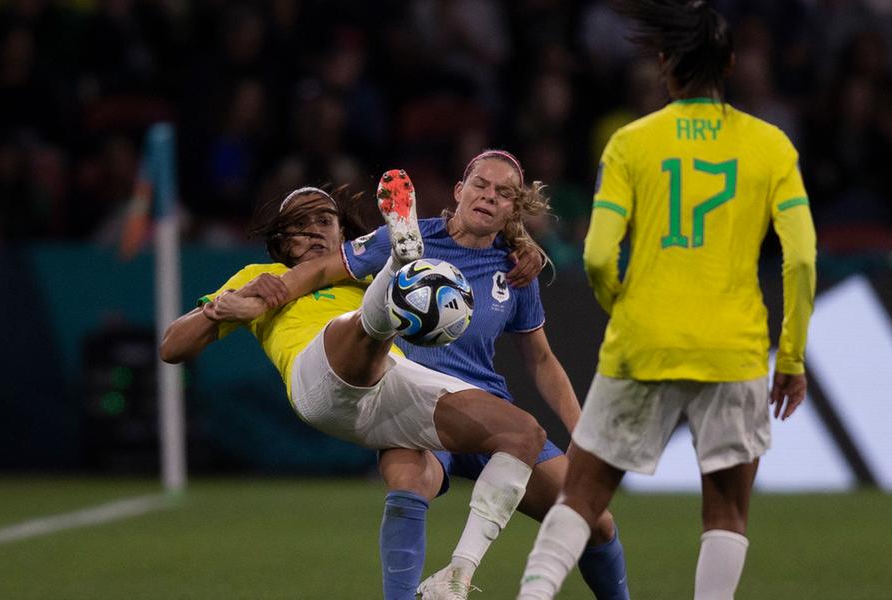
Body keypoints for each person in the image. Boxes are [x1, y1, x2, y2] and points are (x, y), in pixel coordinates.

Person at [516, 1, 817, 599]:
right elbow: (802, 257)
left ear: (663, 67)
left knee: (582, 494)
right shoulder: (771, 146)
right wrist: (791, 356)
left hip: (643, 340)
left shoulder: (630, 143)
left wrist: (621, 303)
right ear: (730, 63)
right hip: (732, 348)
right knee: (726, 510)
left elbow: (599, 254)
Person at [160, 174, 544, 600]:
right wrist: (217, 309)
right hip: (320, 382)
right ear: (282, 242)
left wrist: (521, 245)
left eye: (324, 221)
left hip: (390, 387)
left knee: (523, 433)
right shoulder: (263, 276)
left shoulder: (359, 270)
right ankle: (399, 271)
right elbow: (171, 347)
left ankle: (456, 575)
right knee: (363, 323)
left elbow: (471, 241)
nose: (313, 232)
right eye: (299, 226)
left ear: (342, 232)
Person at [266, 150, 630, 599]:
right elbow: (324, 268)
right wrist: (267, 296)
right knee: (409, 481)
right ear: (459, 191)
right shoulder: (407, 240)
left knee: (594, 519)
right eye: (480, 185)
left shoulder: (516, 269)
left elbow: (540, 359)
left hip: (487, 415)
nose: (488, 196)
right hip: (411, 408)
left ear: (513, 210)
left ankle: (458, 578)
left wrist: (582, 433)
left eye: (503, 193)